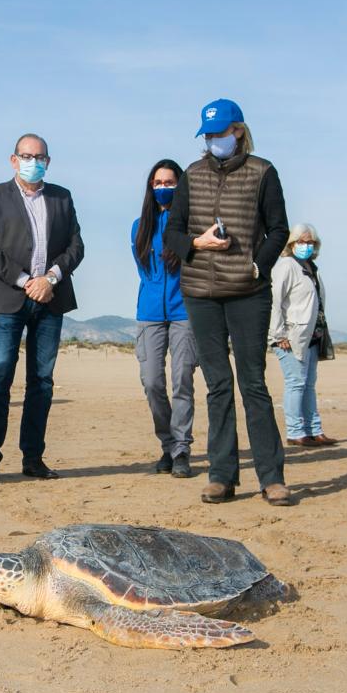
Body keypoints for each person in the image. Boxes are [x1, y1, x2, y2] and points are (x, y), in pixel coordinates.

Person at [163, 98, 292, 506]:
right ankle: (221, 475)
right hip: (201, 294)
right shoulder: (192, 175)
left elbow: (278, 229)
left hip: (249, 293)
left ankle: (271, 477)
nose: (213, 140)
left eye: (220, 133)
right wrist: (196, 243)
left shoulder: (263, 172)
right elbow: (173, 234)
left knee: (253, 384)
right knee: (218, 385)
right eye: (208, 135)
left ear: (238, 131)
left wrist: (259, 266)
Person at [0, 133, 84, 482]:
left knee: (41, 381)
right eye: (26, 155)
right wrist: (27, 281)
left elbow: (76, 246)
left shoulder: (61, 198)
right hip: (9, 299)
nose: (32, 161)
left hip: (51, 300)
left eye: (39, 157)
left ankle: (33, 458)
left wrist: (50, 278)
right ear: (13, 159)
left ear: (48, 162)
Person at [130, 159, 197, 478]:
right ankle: (168, 443)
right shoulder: (138, 226)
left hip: (185, 311)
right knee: (152, 381)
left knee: (182, 378)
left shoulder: (192, 223)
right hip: (150, 314)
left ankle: (182, 449)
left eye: (170, 182)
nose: (163, 188)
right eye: (158, 182)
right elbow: (143, 269)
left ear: (181, 186)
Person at [269, 224, 338, 447]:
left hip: (312, 335)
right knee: (296, 383)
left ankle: (314, 429)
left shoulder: (310, 267)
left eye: (310, 242)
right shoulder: (286, 266)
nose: (306, 245)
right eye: (301, 241)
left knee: (308, 384)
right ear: (291, 243)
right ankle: (295, 431)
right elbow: (275, 301)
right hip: (290, 335)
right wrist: (278, 333)